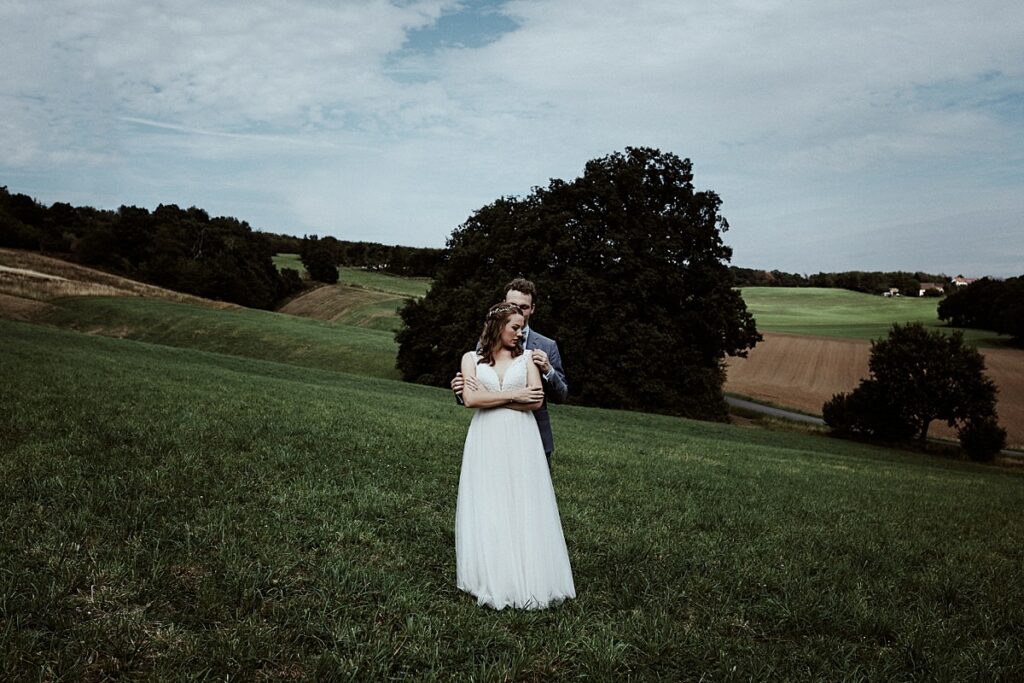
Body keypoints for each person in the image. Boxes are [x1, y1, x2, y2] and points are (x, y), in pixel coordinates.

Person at [455, 301, 575, 609]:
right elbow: (469, 399)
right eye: (515, 328)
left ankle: (525, 571)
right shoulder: (471, 358)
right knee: (489, 501)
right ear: (497, 327)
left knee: (520, 500)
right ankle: (490, 572)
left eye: (522, 328)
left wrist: (491, 399)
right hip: (485, 438)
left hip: (522, 438)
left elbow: (534, 401)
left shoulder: (528, 361)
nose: (520, 334)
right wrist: (512, 395)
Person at [452, 278, 568, 467]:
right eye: (512, 305)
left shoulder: (547, 346)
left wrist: (549, 370)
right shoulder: (483, 346)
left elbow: (561, 396)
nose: (518, 311)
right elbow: (475, 392)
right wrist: (460, 390)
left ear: (532, 309)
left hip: (534, 433)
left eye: (524, 307)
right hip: (490, 431)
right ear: (503, 304)